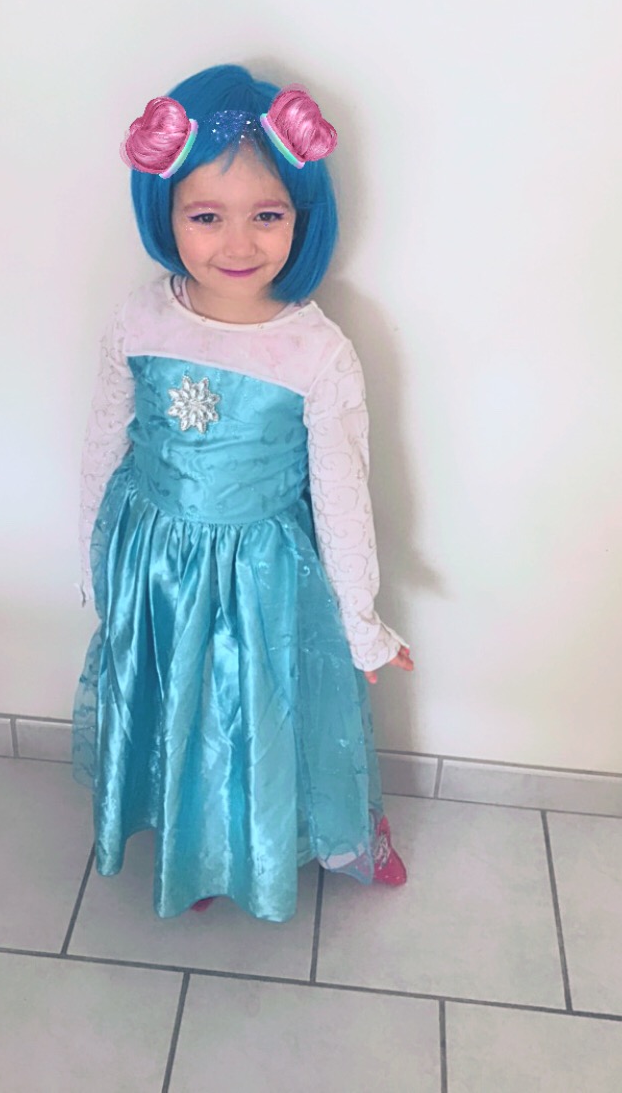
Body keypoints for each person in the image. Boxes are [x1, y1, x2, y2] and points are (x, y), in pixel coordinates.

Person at [72, 63, 414, 923]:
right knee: (176, 712)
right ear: (166, 212)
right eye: (206, 215)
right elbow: (103, 445)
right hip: (154, 567)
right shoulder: (139, 319)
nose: (238, 243)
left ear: (303, 216)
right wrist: (95, 567)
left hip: (261, 580)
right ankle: (189, 851)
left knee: (252, 719)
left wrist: (362, 625)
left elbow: (342, 492)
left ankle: (274, 848)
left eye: (267, 215)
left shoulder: (317, 352)